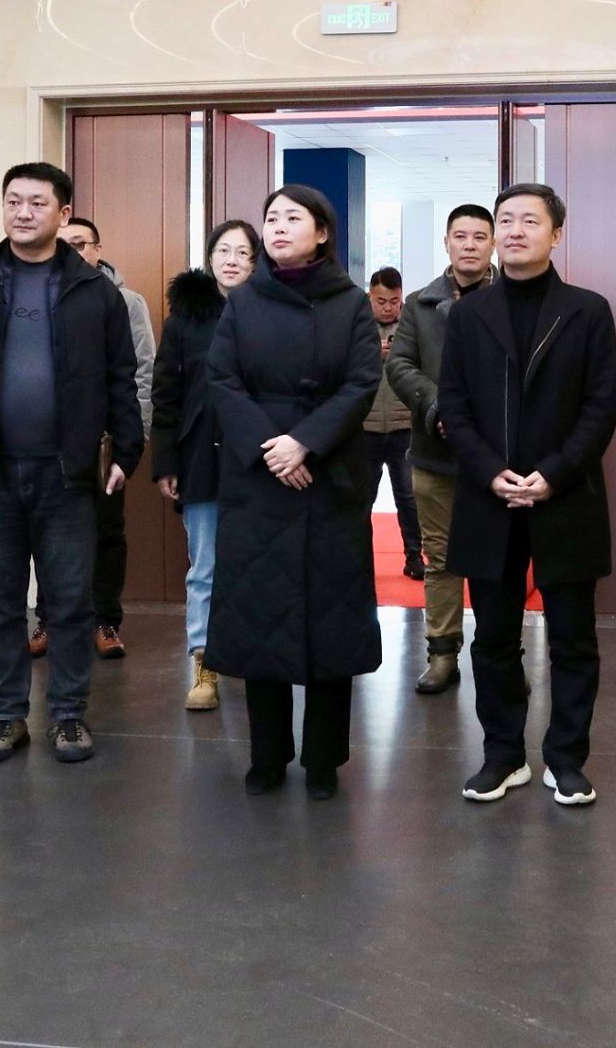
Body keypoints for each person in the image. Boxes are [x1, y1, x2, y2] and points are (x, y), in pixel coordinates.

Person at [0, 162, 143, 766]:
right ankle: (5, 716)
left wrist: (126, 451)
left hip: (68, 474)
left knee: (69, 602)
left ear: (63, 214)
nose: (23, 212)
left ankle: (68, 715)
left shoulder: (94, 291)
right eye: (13, 201)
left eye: (37, 203)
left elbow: (121, 378)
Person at [438, 184, 616, 806]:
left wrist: (554, 473)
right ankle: (503, 754)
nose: (514, 231)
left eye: (529, 221)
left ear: (556, 234)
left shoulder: (587, 310)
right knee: (493, 636)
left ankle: (566, 759)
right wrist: (491, 471)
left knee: (573, 637)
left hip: (565, 495)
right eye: (506, 220)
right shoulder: (468, 314)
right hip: (488, 497)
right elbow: (454, 405)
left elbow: (601, 407)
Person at [204, 186, 381, 800]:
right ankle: (267, 755)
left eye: (292, 218)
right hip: (260, 481)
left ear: (322, 231)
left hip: (329, 477)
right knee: (261, 619)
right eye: (271, 217)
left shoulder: (350, 302)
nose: (278, 226)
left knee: (331, 622)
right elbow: (222, 380)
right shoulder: (244, 301)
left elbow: (362, 382)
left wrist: (305, 442)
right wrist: (272, 449)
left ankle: (324, 759)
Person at [26, 216, 154, 661]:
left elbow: (142, 373)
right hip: (46, 441)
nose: (73, 251)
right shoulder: (36, 296)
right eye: (64, 243)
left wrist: (133, 439)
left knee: (106, 533)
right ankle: (48, 620)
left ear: (98, 250)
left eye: (81, 243)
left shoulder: (125, 301)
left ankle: (105, 621)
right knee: (45, 533)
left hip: (104, 442)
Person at [386, 204, 496, 694]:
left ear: (493, 244)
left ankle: (500, 655)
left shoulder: (510, 299)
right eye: (460, 236)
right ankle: (442, 654)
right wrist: (439, 408)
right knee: (440, 558)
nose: (469, 245)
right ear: (446, 243)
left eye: (479, 236)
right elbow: (400, 365)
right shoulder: (419, 304)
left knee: (497, 560)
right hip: (435, 453)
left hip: (497, 458)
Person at [152, 219, 255, 711]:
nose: (232, 260)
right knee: (206, 565)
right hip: (200, 456)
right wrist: (165, 461)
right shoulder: (185, 319)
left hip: (258, 458)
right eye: (224, 250)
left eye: (243, 253)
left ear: (256, 264)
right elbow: (165, 393)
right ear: (210, 257)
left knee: (256, 563)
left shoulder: (272, 313)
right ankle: (204, 664)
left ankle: (254, 657)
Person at [362, 267, 424, 581]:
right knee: (362, 500)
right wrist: (372, 355)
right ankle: (358, 561)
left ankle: (414, 557)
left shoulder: (412, 327)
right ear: (370, 297)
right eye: (381, 301)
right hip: (365, 428)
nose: (388, 308)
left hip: (404, 426)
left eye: (394, 301)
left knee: (409, 498)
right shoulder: (357, 327)